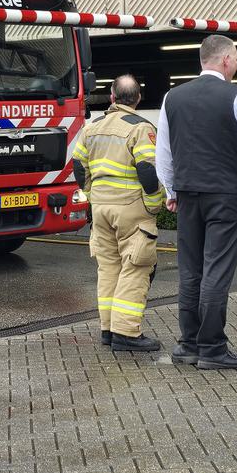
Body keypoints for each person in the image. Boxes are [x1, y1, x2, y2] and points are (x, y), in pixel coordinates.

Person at [156, 35, 237, 370]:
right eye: (236, 57)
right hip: (226, 195)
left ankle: (189, 345)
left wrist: (171, 191)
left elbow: (163, 153)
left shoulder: (172, 97)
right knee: (216, 270)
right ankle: (212, 348)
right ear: (225, 60)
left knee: (191, 270)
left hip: (187, 196)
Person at [71, 75, 163, 352]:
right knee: (136, 267)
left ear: (112, 97)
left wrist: (91, 193)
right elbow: (147, 169)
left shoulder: (92, 127)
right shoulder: (141, 128)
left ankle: (108, 330)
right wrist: (154, 203)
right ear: (137, 98)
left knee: (108, 267)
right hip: (131, 208)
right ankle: (126, 333)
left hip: (100, 207)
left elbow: (78, 164)